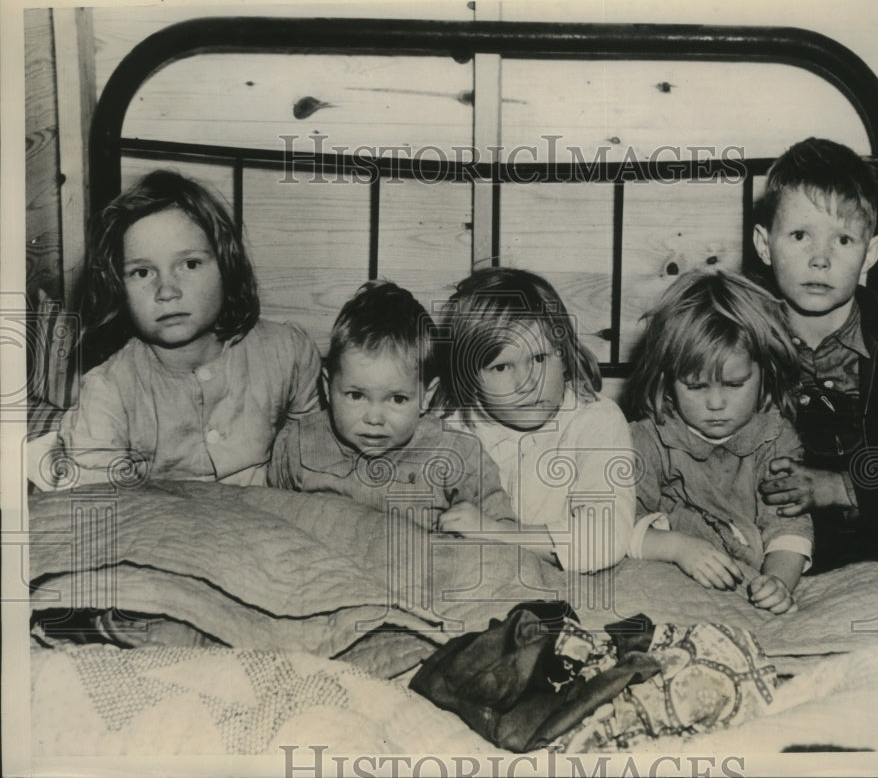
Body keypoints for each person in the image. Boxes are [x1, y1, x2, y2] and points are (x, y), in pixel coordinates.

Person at [752, 137, 878, 569]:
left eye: (844, 240)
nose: (820, 259)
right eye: (799, 235)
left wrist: (841, 488)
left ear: (872, 254)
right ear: (763, 244)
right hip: (768, 532)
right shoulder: (737, 333)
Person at [57, 169, 321, 487]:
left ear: (226, 266)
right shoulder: (108, 392)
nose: (167, 291)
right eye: (142, 272)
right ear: (118, 287)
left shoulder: (288, 354)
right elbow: (97, 500)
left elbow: (315, 459)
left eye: (190, 264)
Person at [625, 269, 811, 614]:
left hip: (745, 586)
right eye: (696, 387)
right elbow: (616, 526)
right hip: (666, 579)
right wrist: (679, 548)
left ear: (764, 374)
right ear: (666, 381)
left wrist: (778, 583)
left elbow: (789, 524)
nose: (715, 404)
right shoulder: (648, 440)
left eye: (735, 384)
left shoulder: (775, 437)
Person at [431, 267, 634, 574]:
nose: (527, 383)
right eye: (501, 368)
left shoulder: (596, 419)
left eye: (539, 359)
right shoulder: (453, 426)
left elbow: (606, 539)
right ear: (468, 377)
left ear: (564, 355)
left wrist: (498, 534)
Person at [268, 280, 513, 527]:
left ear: (426, 397)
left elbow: (505, 535)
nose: (374, 418)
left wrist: (484, 527)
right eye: (355, 395)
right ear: (328, 388)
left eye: (397, 399)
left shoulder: (457, 455)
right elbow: (269, 518)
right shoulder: (298, 443)